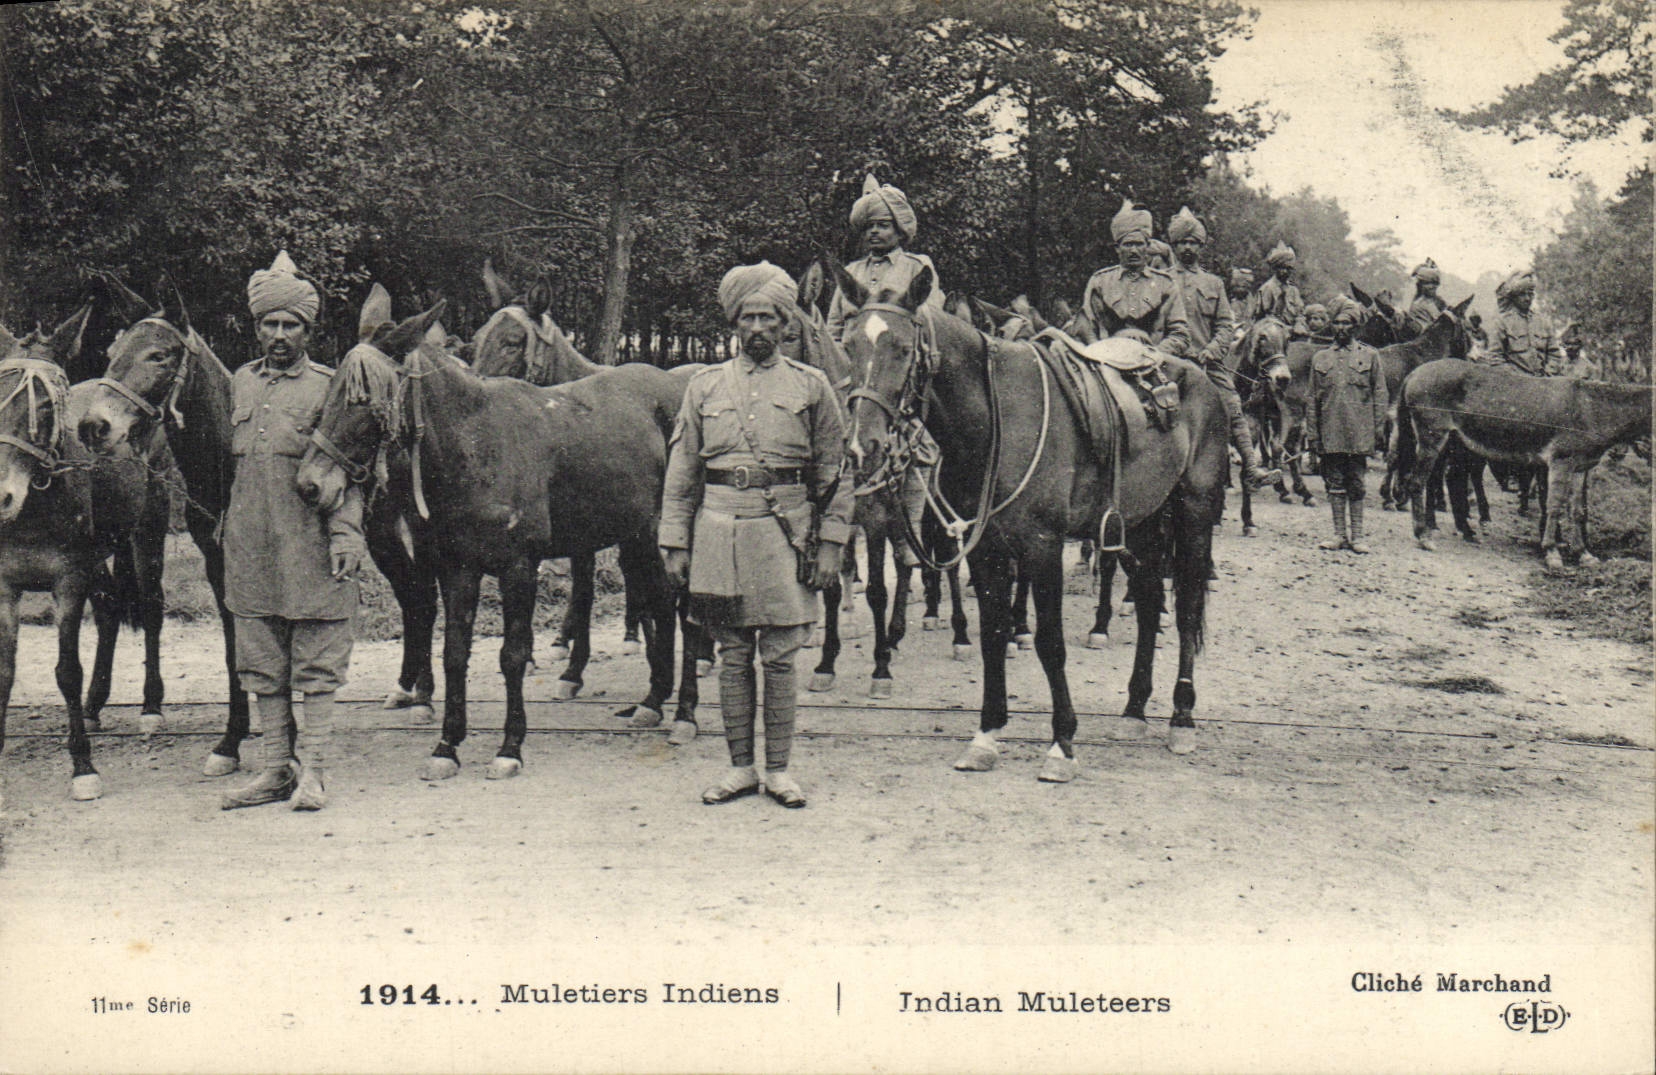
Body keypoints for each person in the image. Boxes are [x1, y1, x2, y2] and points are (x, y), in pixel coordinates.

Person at [660, 262, 853, 809]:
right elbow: (681, 474)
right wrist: (674, 540)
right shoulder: (704, 386)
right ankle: (740, 769)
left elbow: (837, 476)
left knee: (781, 655)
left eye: (769, 316)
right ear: (735, 323)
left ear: (786, 323)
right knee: (732, 653)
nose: (758, 327)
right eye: (748, 317)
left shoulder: (811, 387)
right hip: (718, 531)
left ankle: (780, 770)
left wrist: (832, 544)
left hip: (784, 532)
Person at [220, 252, 366, 811]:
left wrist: (347, 535)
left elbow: (352, 469)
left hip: (310, 543)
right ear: (256, 327)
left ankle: (316, 774)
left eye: (291, 325)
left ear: (308, 330)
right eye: (270, 324)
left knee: (318, 662)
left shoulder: (330, 388)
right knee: (261, 661)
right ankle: (276, 770)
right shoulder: (240, 382)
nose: (279, 335)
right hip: (252, 543)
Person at [1167, 206, 1279, 490]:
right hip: (1168, 359)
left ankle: (1252, 468)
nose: (1188, 248)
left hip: (1207, 362)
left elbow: (1226, 326)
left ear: (1201, 246)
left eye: (1193, 242)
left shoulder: (1213, 284)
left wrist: (1211, 351)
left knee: (1233, 406)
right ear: (1174, 245)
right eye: (1182, 242)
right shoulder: (1161, 280)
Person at [1306, 298, 1387, 554]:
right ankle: (1339, 535)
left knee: (1357, 484)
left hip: (1358, 432)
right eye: (1337, 323)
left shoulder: (1370, 356)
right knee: (1334, 483)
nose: (1341, 328)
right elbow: (1312, 399)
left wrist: (1377, 429)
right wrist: (1312, 434)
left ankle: (1358, 536)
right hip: (1330, 431)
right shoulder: (1320, 358)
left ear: (1355, 327)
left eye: (1346, 324)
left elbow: (1380, 394)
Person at [826, 174, 944, 343]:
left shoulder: (916, 267)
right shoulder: (852, 271)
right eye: (869, 226)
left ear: (899, 230)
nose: (874, 231)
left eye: (883, 225)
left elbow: (932, 324)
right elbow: (834, 328)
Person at [1076, 200, 1190, 353]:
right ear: (1117, 248)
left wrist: (1155, 353)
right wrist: (1100, 353)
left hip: (1153, 361)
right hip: (1108, 360)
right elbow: (1086, 327)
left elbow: (1180, 334)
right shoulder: (1100, 282)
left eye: (1139, 244)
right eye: (1128, 245)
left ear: (1148, 247)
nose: (1134, 251)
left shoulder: (1166, 284)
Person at [1489, 270, 1562, 376]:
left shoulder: (1543, 322)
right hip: (1515, 383)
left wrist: (1549, 371)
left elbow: (1554, 354)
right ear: (1514, 296)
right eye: (1522, 294)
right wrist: (1513, 375)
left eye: (1530, 294)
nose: (1527, 298)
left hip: (1543, 383)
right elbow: (1494, 357)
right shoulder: (1503, 322)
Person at [1254, 242, 1307, 337]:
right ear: (1275, 268)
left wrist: (1299, 324)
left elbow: (1300, 313)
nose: (1285, 272)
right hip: (1272, 335)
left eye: (1288, 269)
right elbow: (1263, 318)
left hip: (1293, 334)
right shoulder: (1267, 288)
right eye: (1281, 268)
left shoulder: (1293, 291)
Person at [1403, 258, 1448, 337]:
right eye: (1428, 284)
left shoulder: (1435, 302)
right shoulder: (1418, 304)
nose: (1433, 287)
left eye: (1435, 284)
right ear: (1420, 285)